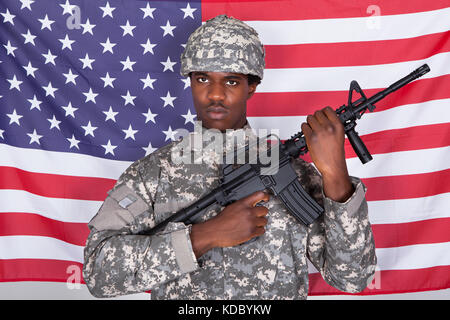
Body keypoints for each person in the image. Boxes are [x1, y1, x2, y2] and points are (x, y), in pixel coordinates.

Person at [82, 15, 377, 299]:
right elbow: (98, 272)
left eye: (232, 81)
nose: (215, 95)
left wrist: (336, 175)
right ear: (190, 82)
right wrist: (204, 236)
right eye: (203, 79)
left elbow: (352, 278)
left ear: (252, 86)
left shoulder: (293, 174)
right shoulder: (154, 174)